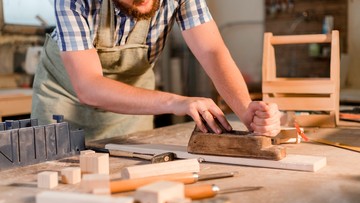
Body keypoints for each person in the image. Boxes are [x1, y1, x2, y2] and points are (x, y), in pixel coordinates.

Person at [31, 0, 281, 141]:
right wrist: (176, 102)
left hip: (131, 111)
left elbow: (212, 51)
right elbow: (88, 86)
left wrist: (246, 110)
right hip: (62, 111)